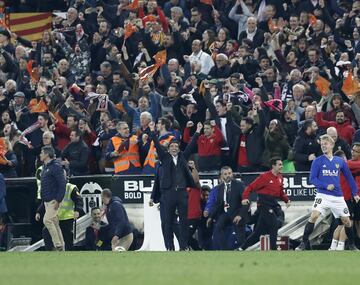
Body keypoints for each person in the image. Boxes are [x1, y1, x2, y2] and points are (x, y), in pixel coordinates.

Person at [296, 135, 360, 250]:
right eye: (322, 144)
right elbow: (312, 179)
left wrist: (355, 193)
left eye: (325, 143)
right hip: (323, 195)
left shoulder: (339, 161)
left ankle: (351, 245)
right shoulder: (317, 161)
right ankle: (304, 243)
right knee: (314, 216)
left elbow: (349, 177)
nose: (323, 146)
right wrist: (325, 186)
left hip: (338, 197)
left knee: (346, 221)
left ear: (332, 145)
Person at [149, 121, 197, 250]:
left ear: (178, 148)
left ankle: (184, 246)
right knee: (168, 222)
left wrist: (197, 132)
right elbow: (157, 144)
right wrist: (153, 131)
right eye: (172, 146)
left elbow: (191, 146)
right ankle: (170, 247)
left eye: (176, 146)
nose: (174, 148)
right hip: (168, 193)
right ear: (168, 148)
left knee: (184, 222)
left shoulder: (183, 157)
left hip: (181, 193)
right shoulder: (164, 158)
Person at [238, 157, 291, 250]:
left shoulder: (280, 177)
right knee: (274, 224)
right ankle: (273, 249)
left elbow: (280, 192)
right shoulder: (264, 177)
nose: (281, 166)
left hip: (273, 202)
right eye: (279, 165)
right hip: (264, 203)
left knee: (258, 232)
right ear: (273, 166)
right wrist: (245, 198)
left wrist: (286, 200)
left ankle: (241, 248)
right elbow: (250, 187)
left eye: (282, 164)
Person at [36, 170, 83, 250]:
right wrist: (39, 212)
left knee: (67, 240)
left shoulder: (70, 187)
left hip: (67, 219)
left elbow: (79, 200)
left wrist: (77, 210)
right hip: (54, 217)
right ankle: (51, 253)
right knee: (47, 234)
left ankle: (66, 255)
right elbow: (45, 202)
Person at [207, 166, 248, 250]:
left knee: (240, 236)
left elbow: (246, 201)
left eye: (229, 173)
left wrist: (240, 215)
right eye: (225, 174)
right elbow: (218, 204)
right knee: (218, 228)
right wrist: (211, 217)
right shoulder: (220, 188)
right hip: (226, 214)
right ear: (222, 176)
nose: (228, 175)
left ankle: (242, 249)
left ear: (232, 173)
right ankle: (224, 250)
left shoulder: (239, 185)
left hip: (237, 213)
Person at [39, 145, 66, 251]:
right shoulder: (45, 167)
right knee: (54, 222)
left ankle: (57, 244)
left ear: (46, 154)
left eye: (42, 153)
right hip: (47, 200)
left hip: (53, 200)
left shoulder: (56, 166)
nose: (40, 155)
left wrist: (58, 199)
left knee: (47, 220)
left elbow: (62, 184)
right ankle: (62, 247)